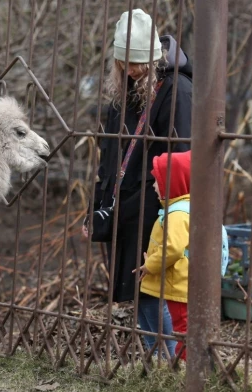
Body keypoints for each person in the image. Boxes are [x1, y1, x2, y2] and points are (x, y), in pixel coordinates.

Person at [83, 8, 192, 306]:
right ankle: (148, 347)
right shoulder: (124, 89)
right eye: (123, 63)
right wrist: (97, 203)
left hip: (153, 206)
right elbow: (109, 155)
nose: (129, 69)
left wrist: (162, 201)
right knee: (132, 289)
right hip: (122, 204)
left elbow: (181, 157)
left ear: (153, 59)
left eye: (136, 63)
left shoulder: (177, 89)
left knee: (151, 289)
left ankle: (163, 349)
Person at [135, 151, 191, 360]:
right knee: (184, 325)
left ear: (173, 184)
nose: (153, 186)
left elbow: (173, 248)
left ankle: (186, 366)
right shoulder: (189, 208)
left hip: (178, 283)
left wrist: (150, 265)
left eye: (157, 181)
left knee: (182, 327)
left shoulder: (176, 215)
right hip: (185, 282)